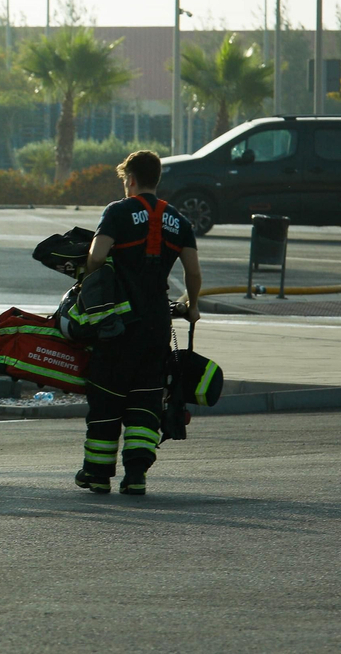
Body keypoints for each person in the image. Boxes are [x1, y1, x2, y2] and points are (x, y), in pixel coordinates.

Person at [75, 150, 201, 496]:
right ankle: (136, 476)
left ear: (130, 179)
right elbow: (192, 271)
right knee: (146, 401)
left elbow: (98, 256)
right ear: (156, 179)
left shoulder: (117, 212)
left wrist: (88, 279)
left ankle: (98, 475)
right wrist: (192, 306)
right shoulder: (179, 220)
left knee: (106, 398)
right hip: (157, 325)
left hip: (119, 324)